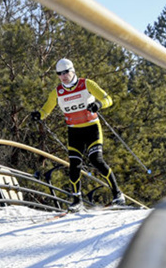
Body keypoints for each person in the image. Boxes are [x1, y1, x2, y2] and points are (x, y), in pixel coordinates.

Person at [31, 58, 125, 211]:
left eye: (66, 72)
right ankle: (77, 201)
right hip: (74, 131)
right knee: (74, 164)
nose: (63, 76)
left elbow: (108, 99)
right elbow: (46, 110)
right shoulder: (57, 92)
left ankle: (118, 194)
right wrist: (38, 115)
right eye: (59, 73)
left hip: (92, 128)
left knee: (96, 159)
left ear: (72, 70)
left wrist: (98, 104)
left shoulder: (86, 84)